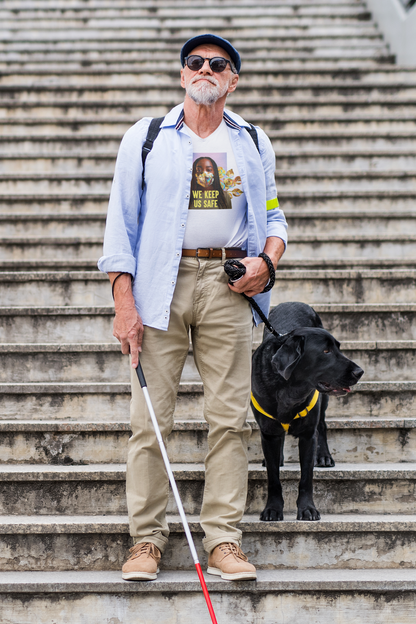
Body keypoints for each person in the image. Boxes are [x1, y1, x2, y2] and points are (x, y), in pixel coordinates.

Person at [98, 33, 288, 582]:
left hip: (230, 287)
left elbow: (273, 219)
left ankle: (224, 540)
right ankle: (146, 542)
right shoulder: (149, 137)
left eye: (218, 63)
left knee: (229, 419)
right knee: (148, 420)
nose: (205, 68)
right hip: (162, 282)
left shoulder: (252, 141)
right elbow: (121, 224)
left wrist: (267, 265)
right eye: (195, 62)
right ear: (183, 75)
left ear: (233, 80)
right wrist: (123, 300)